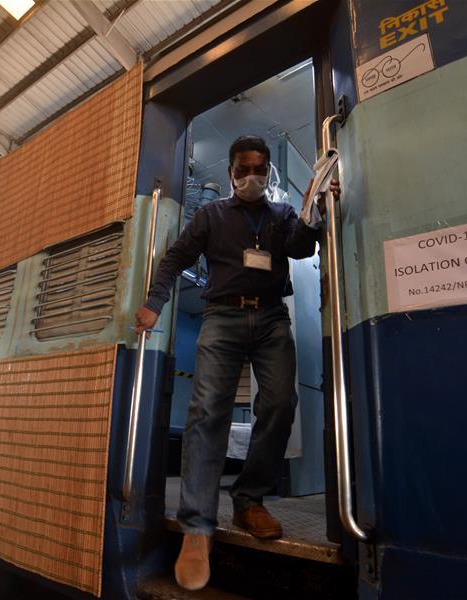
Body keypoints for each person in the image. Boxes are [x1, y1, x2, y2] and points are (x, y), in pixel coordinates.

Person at [134, 135, 338, 591]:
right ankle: (197, 527)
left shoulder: (281, 214)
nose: (252, 177)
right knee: (207, 413)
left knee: (281, 405)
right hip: (222, 316)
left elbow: (302, 248)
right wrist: (154, 303)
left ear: (268, 173)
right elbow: (174, 260)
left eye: (260, 170)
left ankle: (249, 499)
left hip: (270, 318)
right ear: (229, 172)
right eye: (244, 169)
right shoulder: (210, 215)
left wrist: (314, 212)